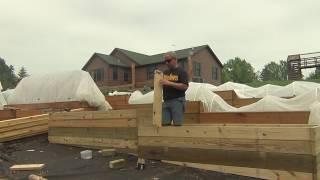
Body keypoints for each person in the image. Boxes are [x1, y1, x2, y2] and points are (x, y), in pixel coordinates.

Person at [159, 51, 189, 126]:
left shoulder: (182, 72)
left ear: (175, 60)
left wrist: (169, 83)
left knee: (178, 125)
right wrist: (157, 75)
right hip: (166, 101)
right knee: (164, 124)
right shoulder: (165, 72)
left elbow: (185, 86)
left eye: (168, 61)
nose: (166, 63)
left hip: (177, 101)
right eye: (165, 61)